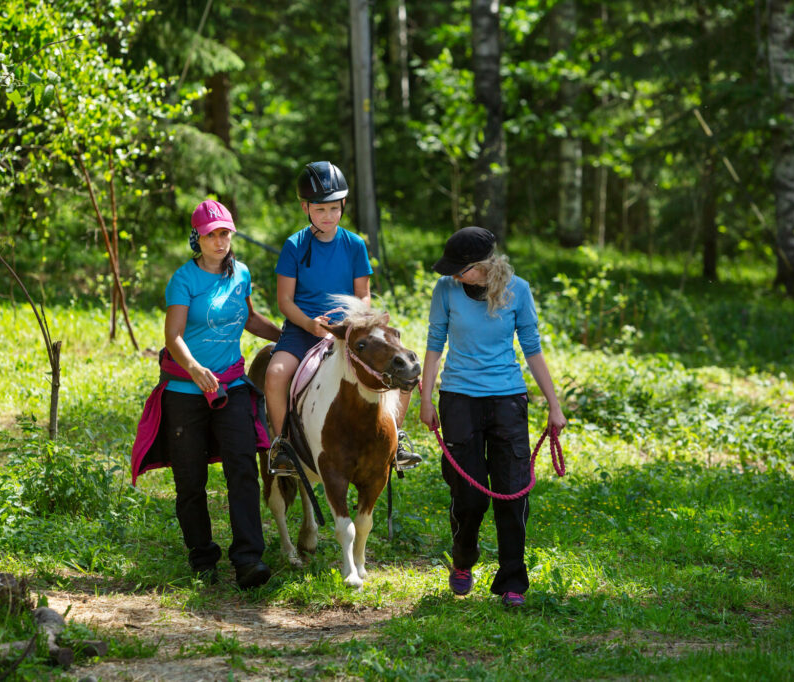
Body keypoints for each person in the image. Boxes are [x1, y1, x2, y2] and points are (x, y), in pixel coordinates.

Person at [418, 226, 567, 608]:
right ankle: (464, 559)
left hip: (507, 400)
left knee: (511, 490)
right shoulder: (446, 290)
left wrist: (554, 404)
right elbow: (435, 343)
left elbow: (532, 348)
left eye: (460, 268)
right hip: (459, 398)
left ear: (482, 266)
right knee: (467, 494)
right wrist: (426, 397)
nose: (453, 275)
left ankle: (512, 580)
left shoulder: (519, 290)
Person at [264, 161, 422, 473]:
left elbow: (363, 294)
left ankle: (396, 437)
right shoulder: (294, 245)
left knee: (401, 369)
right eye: (320, 210)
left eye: (334, 209)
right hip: (303, 328)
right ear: (305, 207)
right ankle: (284, 445)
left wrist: (352, 320)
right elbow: (284, 301)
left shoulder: (354, 245)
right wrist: (311, 324)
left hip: (350, 331)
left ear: (343, 205)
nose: (328, 216)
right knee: (275, 374)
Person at [160, 199, 281, 589]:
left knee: (243, 469)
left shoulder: (240, 273)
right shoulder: (184, 280)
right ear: (197, 237)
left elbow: (249, 318)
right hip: (185, 390)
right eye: (212, 234)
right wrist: (194, 369)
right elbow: (173, 335)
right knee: (190, 479)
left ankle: (248, 559)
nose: (220, 240)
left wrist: (289, 335)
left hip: (232, 387)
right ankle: (202, 557)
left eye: (225, 232)